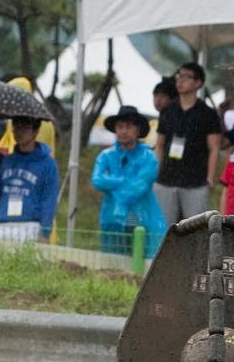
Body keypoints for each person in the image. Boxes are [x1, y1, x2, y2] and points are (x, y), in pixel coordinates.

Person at [154, 61, 223, 224]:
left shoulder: (208, 113)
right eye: (179, 75)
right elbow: (159, 145)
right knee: (165, 230)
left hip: (196, 182)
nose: (181, 80)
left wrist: (210, 179)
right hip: (166, 180)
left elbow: (214, 148)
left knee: (195, 230)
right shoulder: (168, 111)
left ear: (198, 83)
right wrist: (156, 173)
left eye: (187, 76)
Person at [92, 105, 165, 258]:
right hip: (112, 217)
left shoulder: (148, 156)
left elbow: (140, 187)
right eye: (120, 127)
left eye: (129, 127)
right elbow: (97, 180)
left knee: (140, 262)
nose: (124, 131)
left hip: (141, 217)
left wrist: (111, 183)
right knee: (112, 263)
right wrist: (124, 181)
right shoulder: (105, 155)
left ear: (138, 130)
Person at [0, 115, 59, 242]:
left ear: (35, 131)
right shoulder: (7, 160)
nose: (18, 132)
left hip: (30, 226)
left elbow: (49, 200)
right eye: (16, 128)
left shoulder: (47, 164)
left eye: (24, 128)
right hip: (4, 223)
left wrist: (45, 232)